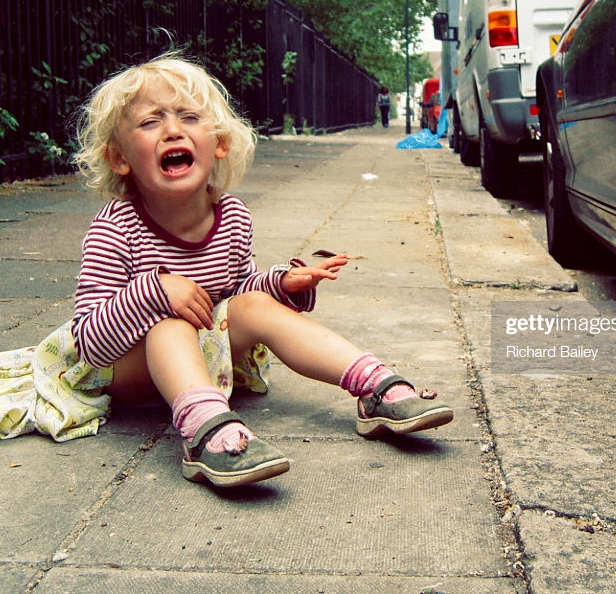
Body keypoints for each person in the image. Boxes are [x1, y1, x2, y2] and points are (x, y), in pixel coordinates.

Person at [69, 53, 453, 488]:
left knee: (252, 304)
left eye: (189, 117)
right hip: (126, 371)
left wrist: (282, 283)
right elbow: (89, 344)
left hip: (201, 358)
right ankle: (205, 433)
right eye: (150, 122)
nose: (172, 129)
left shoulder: (231, 215)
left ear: (219, 144)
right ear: (120, 158)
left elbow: (237, 289)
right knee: (169, 325)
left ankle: (374, 386)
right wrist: (154, 292)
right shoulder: (115, 227)